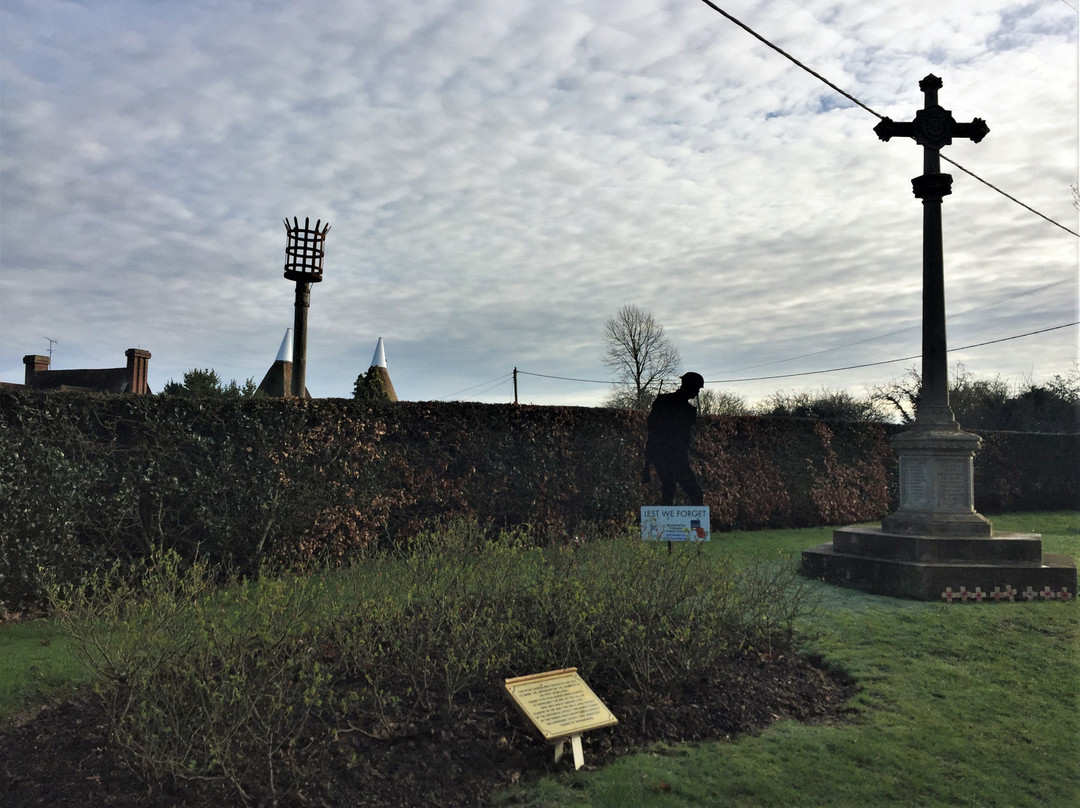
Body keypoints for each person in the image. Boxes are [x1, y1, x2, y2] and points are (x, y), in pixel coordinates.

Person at [642, 372, 705, 506]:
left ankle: (671, 525)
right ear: (690, 386)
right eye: (697, 389)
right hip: (671, 456)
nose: (697, 393)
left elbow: (651, 428)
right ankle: (697, 526)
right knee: (693, 492)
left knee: (669, 490)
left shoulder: (665, 401)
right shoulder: (682, 408)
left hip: (665, 455)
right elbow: (654, 429)